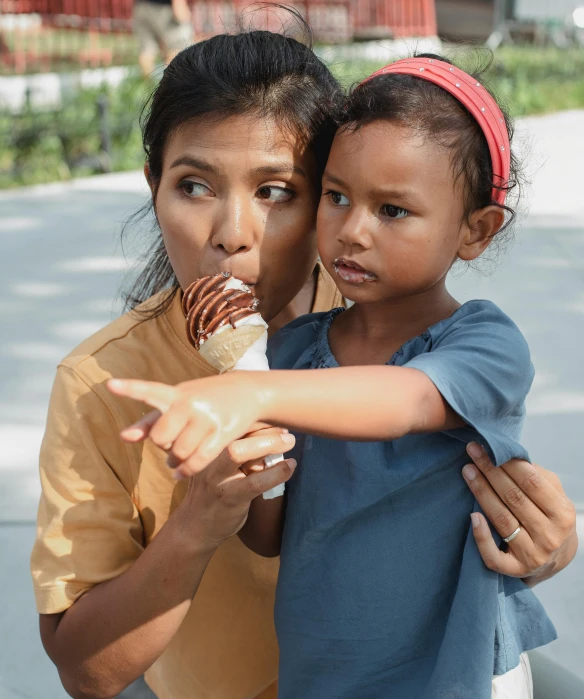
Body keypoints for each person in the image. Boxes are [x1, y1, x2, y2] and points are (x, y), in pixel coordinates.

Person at [31, 30, 577, 699]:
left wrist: (541, 542)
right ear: (153, 187)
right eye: (195, 184)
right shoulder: (103, 381)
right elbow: (88, 671)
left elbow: (409, 403)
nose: (233, 233)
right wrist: (204, 513)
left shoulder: (413, 324)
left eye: (277, 191)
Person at [134, 0, 192, 78]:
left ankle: (146, 86)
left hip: (140, 7)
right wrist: (182, 13)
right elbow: (179, 8)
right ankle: (172, 86)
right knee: (177, 48)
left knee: (147, 50)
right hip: (164, 9)